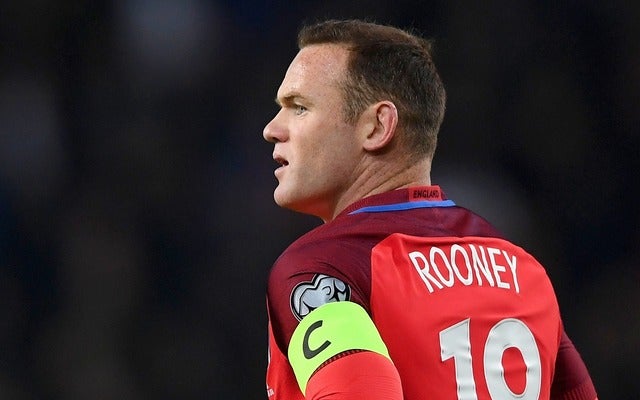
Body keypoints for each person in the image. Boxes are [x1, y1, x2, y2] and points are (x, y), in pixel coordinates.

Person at [262, 19, 598, 400]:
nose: (272, 129)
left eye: (299, 107)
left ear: (377, 127)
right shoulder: (522, 268)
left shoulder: (322, 268)